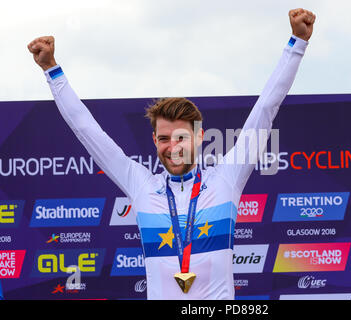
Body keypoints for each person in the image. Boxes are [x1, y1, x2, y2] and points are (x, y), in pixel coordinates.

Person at [27, 8, 315, 300]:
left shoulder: (226, 179)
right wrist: (52, 70)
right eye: (164, 138)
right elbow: (86, 130)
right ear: (154, 140)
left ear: (200, 136)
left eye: (181, 137)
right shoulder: (140, 184)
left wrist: (297, 43)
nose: (173, 147)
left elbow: (265, 109)